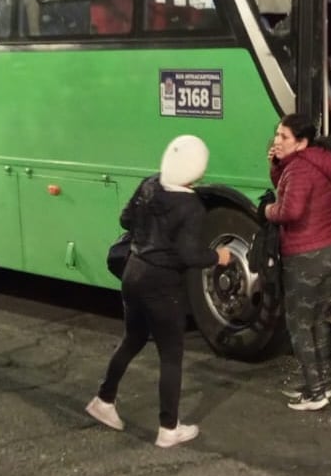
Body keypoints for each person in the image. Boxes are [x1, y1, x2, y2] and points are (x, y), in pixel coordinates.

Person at [86, 134, 233, 447]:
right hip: (162, 284)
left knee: (133, 338)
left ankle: (104, 400)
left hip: (133, 272)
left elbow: (125, 219)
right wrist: (218, 257)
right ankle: (169, 428)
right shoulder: (192, 206)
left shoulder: (149, 184)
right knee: (171, 355)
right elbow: (189, 255)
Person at [265, 113, 331, 411]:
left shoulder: (298, 169)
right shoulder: (318, 163)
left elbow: (290, 211)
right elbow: (286, 184)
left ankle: (315, 393)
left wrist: (268, 211)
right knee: (320, 321)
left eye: (284, 137)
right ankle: (322, 383)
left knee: (299, 325)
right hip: (330, 251)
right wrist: (276, 164)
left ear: (302, 142)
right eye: (277, 134)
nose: (277, 140)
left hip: (304, 256)